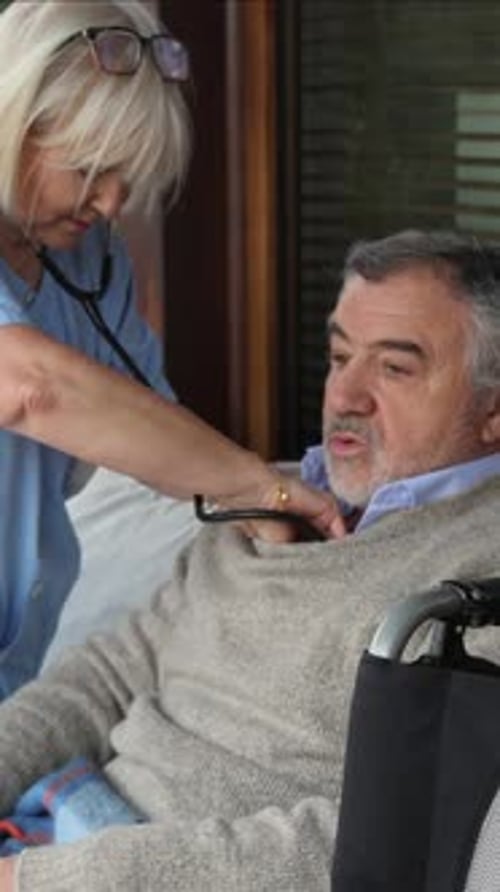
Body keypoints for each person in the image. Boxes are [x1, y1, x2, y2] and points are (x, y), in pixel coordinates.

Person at [0, 229, 500, 891]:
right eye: (339, 356)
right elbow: (106, 677)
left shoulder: (476, 581)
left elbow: (394, 837)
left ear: (493, 410)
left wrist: (47, 881)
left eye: (394, 368)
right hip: (59, 830)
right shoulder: (271, 502)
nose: (345, 395)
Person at [0, 0, 341, 699]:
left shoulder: (89, 260)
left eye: (129, 176)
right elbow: (33, 388)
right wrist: (253, 484)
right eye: (91, 169)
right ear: (15, 125)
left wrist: (266, 518)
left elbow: (148, 424)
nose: (112, 203)